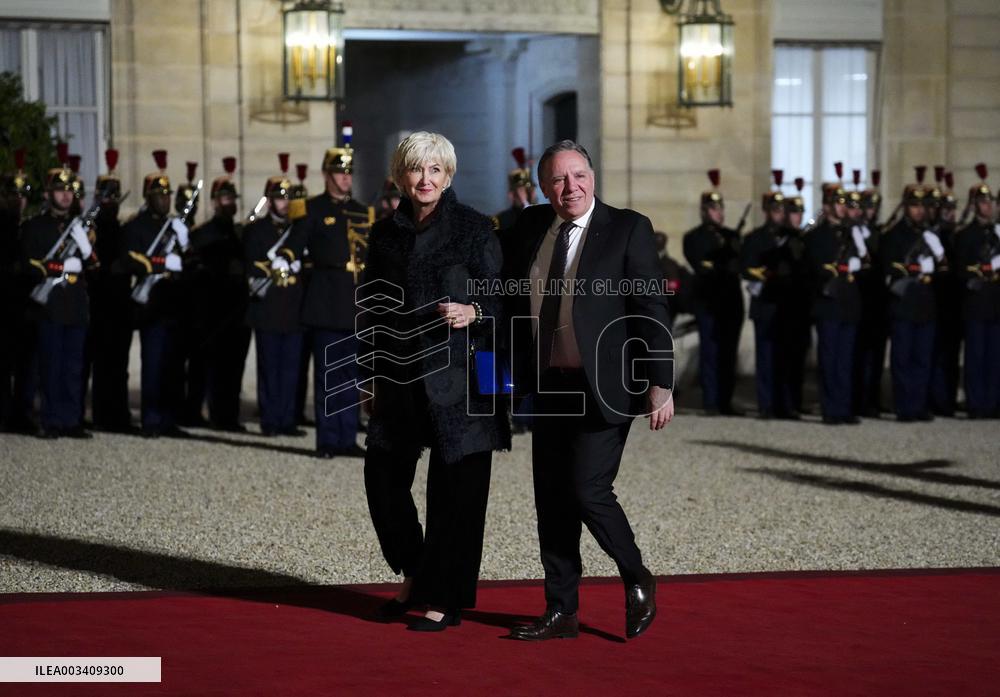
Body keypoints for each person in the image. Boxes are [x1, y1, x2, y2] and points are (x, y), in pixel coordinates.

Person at [503, 140, 673, 641]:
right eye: (558, 179)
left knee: (587, 489)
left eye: (578, 175)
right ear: (543, 186)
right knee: (552, 499)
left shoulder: (627, 228)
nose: (570, 187)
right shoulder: (531, 226)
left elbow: (650, 307)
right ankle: (562, 610)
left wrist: (660, 382)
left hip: (605, 384)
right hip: (549, 385)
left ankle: (637, 576)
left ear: (593, 178)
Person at [360, 131, 510, 631]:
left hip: (460, 379)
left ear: (448, 176)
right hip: (398, 376)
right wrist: (367, 375)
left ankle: (443, 597)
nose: (425, 179)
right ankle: (416, 571)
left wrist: (474, 311)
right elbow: (370, 309)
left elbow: (502, 299)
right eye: (415, 169)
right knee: (382, 478)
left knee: (455, 497)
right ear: (400, 176)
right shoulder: (383, 234)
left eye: (435, 170)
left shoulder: (474, 228)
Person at [287, 122, 374, 458]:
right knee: (327, 375)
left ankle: (346, 437)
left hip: (354, 302)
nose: (345, 179)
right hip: (325, 300)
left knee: (351, 375)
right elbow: (295, 245)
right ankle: (327, 440)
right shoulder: (311, 209)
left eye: (348, 173)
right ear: (326, 175)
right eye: (339, 173)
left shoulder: (362, 211)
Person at [20, 159, 96, 439]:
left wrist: (86, 249)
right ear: (48, 194)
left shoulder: (79, 227)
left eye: (69, 191)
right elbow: (28, 263)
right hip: (49, 305)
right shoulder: (35, 226)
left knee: (74, 367)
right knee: (50, 366)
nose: (65, 196)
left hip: (75, 306)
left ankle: (71, 419)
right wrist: (58, 267)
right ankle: (50, 420)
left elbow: (94, 265)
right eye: (59, 190)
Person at [124, 149, 191, 438]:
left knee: (174, 367)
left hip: (174, 303)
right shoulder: (136, 226)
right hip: (151, 304)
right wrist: (161, 263)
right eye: (159, 196)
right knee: (153, 365)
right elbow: (129, 259)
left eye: (167, 195)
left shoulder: (174, 226)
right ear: (148, 197)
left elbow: (188, 260)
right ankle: (151, 420)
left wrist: (185, 244)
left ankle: (169, 419)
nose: (164, 200)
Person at [244, 158, 307, 437]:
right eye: (279, 198)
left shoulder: (299, 230)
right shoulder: (256, 230)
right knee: (269, 368)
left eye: (288, 198)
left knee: (292, 369)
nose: (284, 203)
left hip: (293, 306)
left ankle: (287, 419)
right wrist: (274, 266)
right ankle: (270, 420)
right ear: (269, 201)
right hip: (268, 306)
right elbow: (251, 264)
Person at [188, 157, 251, 432]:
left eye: (232, 198)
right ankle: (213, 414)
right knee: (212, 368)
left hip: (238, 311)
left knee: (235, 368)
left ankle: (229, 416)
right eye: (225, 198)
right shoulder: (203, 234)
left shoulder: (240, 233)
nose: (230, 203)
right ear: (215, 201)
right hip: (213, 312)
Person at [740, 171, 804, 419]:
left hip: (788, 305)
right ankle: (766, 405)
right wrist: (768, 274)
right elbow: (747, 269)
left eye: (782, 210)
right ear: (767, 211)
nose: (779, 214)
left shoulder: (793, 238)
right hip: (766, 304)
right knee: (766, 357)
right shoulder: (755, 238)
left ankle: (787, 404)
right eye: (775, 210)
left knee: (787, 358)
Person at [804, 177, 866, 425]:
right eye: (837, 203)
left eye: (843, 203)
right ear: (827, 206)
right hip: (828, 304)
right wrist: (838, 268)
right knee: (829, 359)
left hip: (848, 303)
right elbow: (816, 267)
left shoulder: (852, 233)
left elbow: (865, 259)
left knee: (846, 360)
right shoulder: (817, 235)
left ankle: (844, 407)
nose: (842, 208)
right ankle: (830, 408)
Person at [881, 174, 942, 421]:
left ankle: (918, 404)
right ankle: (905, 406)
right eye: (915, 205)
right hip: (904, 304)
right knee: (903, 358)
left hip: (925, 304)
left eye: (923, 206)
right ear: (906, 207)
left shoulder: (929, 235)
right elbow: (889, 266)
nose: (919, 211)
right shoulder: (894, 234)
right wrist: (914, 268)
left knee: (923, 358)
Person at [683, 169, 744, 415]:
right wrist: (724, 264)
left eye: (720, 208)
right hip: (708, 302)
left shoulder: (732, 236)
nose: (719, 213)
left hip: (731, 302)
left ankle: (725, 400)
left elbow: (741, 263)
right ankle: (711, 402)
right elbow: (701, 265)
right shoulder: (693, 237)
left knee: (729, 353)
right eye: (714, 209)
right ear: (704, 211)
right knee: (710, 352)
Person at [86, 148, 135, 433]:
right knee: (101, 363)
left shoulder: (123, 230)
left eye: (114, 196)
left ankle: (119, 415)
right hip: (98, 304)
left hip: (120, 306)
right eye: (106, 196)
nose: (111, 202)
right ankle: (102, 414)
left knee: (119, 364)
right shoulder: (90, 231)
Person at [954, 164, 1000, 419]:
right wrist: (983, 269)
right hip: (975, 303)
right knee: (976, 355)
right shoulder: (966, 235)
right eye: (982, 202)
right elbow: (961, 269)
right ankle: (976, 403)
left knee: (994, 357)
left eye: (989, 201)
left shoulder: (996, 233)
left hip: (995, 303)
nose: (988, 206)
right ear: (974, 206)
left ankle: (992, 402)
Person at [929, 169, 962, 416]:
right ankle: (937, 400)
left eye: (953, 209)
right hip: (936, 302)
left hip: (955, 303)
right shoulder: (933, 236)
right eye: (946, 209)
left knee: (951, 354)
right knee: (937, 354)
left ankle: (948, 399)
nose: (951, 213)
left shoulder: (956, 235)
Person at [493, 147, 536, 232]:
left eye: (530, 190)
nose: (528, 195)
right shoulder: (500, 221)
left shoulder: (543, 216)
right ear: (511, 195)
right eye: (522, 191)